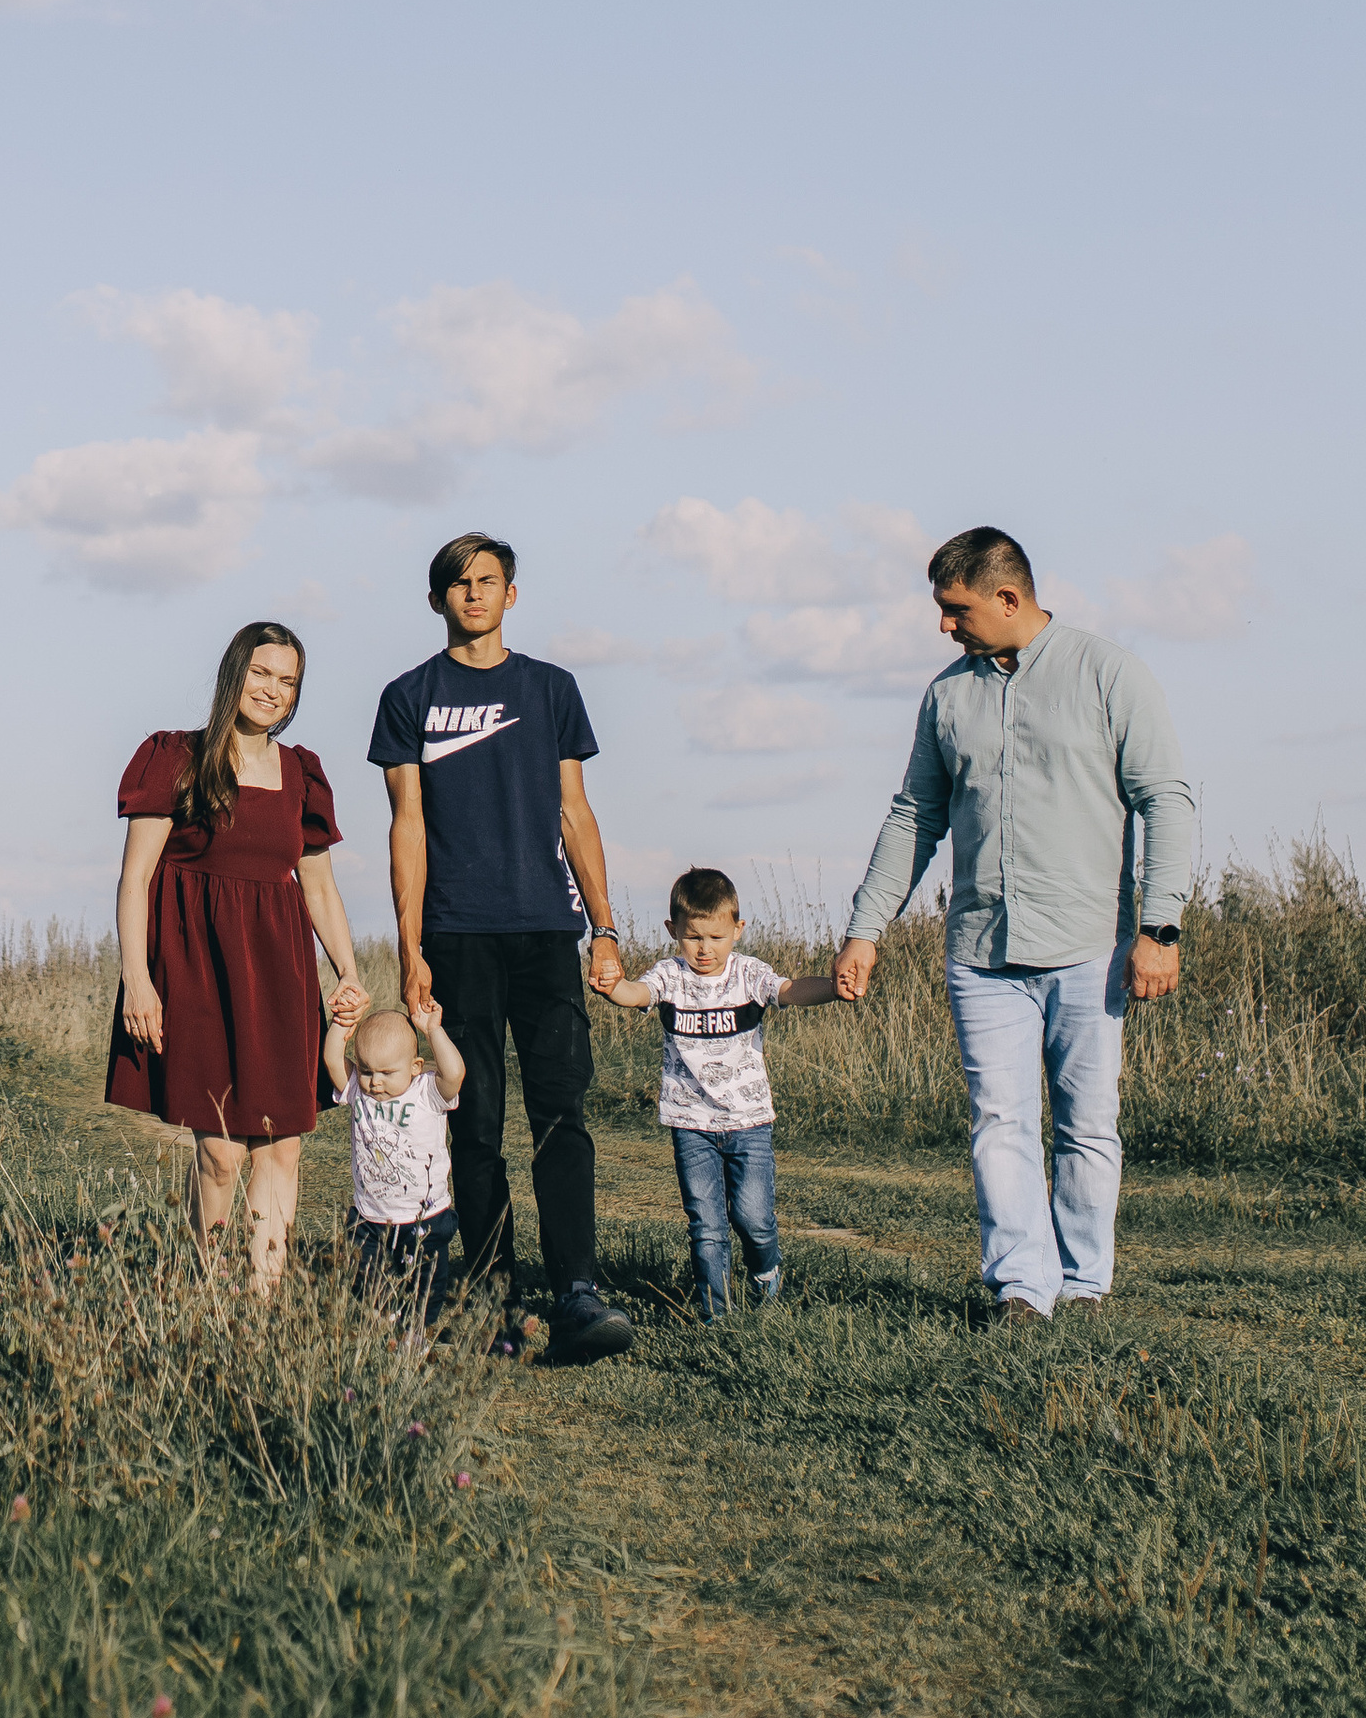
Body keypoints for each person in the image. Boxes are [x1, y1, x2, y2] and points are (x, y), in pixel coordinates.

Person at [832, 527, 1192, 1325]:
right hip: (980, 950)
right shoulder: (946, 695)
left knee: (1088, 1124)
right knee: (1000, 1121)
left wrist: (1159, 928)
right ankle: (1022, 1290)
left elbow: (1165, 799)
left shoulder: (1108, 673)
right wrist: (867, 928)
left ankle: (1085, 1284)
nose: (944, 625)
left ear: (1007, 596)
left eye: (954, 608)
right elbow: (914, 815)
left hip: (1089, 945)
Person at [371, 531, 634, 1364]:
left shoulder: (551, 688)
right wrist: (411, 948)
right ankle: (493, 1296)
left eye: (488, 581)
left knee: (562, 1113)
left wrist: (605, 928)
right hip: (456, 933)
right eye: (458, 583)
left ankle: (579, 1293)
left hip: (545, 931)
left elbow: (576, 813)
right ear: (436, 599)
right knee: (473, 1123)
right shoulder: (409, 696)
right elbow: (405, 826)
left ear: (511, 594)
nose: (473, 594)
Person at [107, 620, 369, 1286]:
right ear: (234, 675)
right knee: (221, 1153)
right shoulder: (174, 757)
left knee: (281, 1147)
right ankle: (206, 1293)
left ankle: (260, 1310)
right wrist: (138, 981)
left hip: (279, 973)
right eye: (262, 673)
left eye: (288, 681)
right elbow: (136, 879)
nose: (273, 690)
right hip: (196, 973)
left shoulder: (302, 773)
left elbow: (317, 884)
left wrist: (350, 970)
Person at [593, 867, 841, 1321]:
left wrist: (833, 988)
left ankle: (766, 1273)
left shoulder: (749, 975)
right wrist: (613, 988)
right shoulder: (669, 976)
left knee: (755, 1221)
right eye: (693, 938)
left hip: (749, 1122)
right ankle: (716, 1317)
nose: (705, 949)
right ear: (673, 931)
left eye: (715, 937)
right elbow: (636, 992)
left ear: (737, 930)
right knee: (707, 1226)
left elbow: (789, 990)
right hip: (691, 1125)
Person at [322, 993, 466, 1325]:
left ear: (416, 1067)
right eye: (368, 1070)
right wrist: (342, 1024)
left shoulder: (426, 1092)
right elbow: (332, 1060)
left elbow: (455, 1073)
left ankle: (416, 1330)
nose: (375, 1081)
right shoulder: (358, 1089)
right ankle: (384, 1312)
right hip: (370, 1213)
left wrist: (433, 1031)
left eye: (386, 1072)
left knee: (426, 1282)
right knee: (363, 1272)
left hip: (422, 1215)